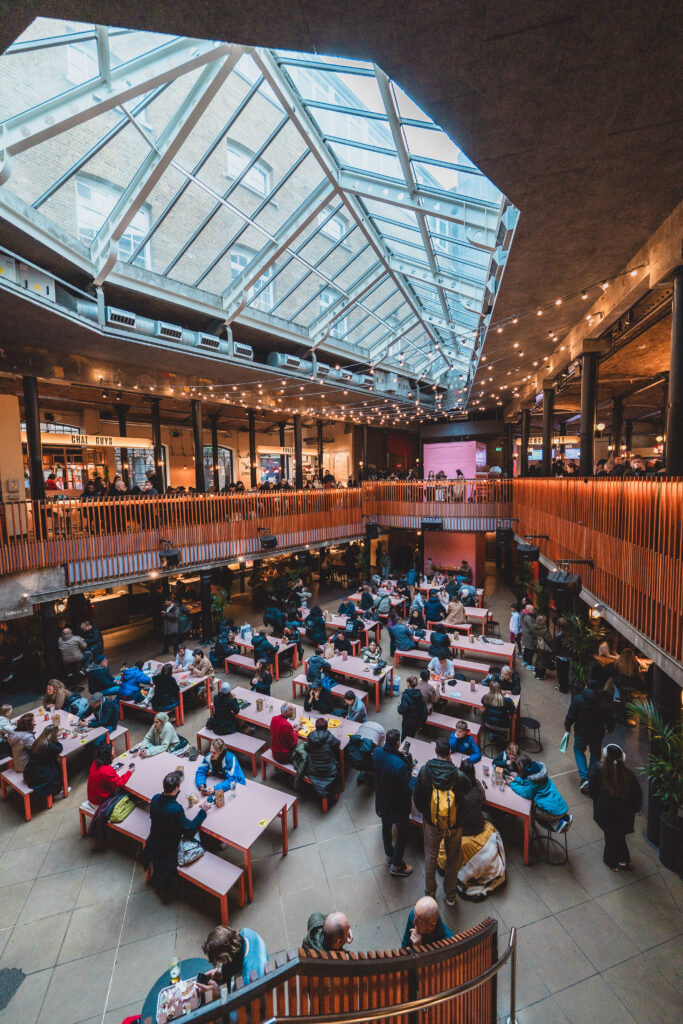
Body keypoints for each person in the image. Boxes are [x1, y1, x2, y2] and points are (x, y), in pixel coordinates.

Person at [413, 737, 471, 905]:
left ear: (436, 752)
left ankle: (430, 894)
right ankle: (450, 896)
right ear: (449, 753)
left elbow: (417, 796)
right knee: (453, 859)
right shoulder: (457, 775)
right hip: (454, 824)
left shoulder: (425, 771)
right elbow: (468, 789)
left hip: (432, 823)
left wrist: (427, 813)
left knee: (430, 857)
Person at [143, 770, 209, 897]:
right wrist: (203, 812)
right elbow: (189, 830)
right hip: (169, 847)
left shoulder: (156, 798)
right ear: (176, 789)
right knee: (199, 835)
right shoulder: (176, 808)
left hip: (154, 840)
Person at [455, 761, 506, 899]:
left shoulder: (457, 789)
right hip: (478, 825)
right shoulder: (477, 785)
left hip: (463, 829)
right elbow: (482, 801)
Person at [589, 744, 643, 871]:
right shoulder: (628, 775)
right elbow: (637, 796)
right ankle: (623, 859)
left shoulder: (598, 769)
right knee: (618, 835)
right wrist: (634, 809)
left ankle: (611, 861)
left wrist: (597, 800)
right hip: (624, 814)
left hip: (605, 812)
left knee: (611, 835)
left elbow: (592, 789)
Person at [372, 728, 414, 877]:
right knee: (402, 834)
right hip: (398, 806)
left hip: (382, 800)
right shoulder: (399, 765)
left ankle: (389, 855)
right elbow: (406, 790)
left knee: (386, 827)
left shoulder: (377, 753)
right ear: (398, 743)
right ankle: (396, 865)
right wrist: (412, 779)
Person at [564, 678, 614, 791]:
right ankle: (591, 777)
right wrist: (609, 729)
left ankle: (584, 776)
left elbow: (571, 715)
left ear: (586, 686)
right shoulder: (604, 703)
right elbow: (610, 720)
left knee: (578, 750)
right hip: (597, 735)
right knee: (595, 755)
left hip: (581, 732)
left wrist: (567, 726)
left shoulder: (578, 699)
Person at [198, 925, 268, 996]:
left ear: (225, 959)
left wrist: (218, 994)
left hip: (253, 995)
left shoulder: (247, 979)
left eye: (221, 961)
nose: (222, 963)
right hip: (258, 978)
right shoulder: (245, 932)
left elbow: (239, 1003)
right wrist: (221, 971)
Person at [511, 756, 573, 832]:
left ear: (522, 771)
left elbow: (526, 794)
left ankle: (555, 824)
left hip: (554, 814)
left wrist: (512, 784)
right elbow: (527, 782)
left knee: (532, 810)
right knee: (546, 806)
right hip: (562, 808)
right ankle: (565, 818)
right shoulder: (539, 773)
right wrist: (516, 779)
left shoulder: (532, 782)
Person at [23, 725, 64, 798]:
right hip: (39, 773)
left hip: (29, 770)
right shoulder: (49, 745)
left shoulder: (38, 741)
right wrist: (57, 741)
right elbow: (59, 748)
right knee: (57, 768)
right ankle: (57, 791)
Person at [304, 718, 341, 799]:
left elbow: (306, 747)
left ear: (316, 727)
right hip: (329, 771)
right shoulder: (330, 738)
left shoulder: (311, 737)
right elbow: (338, 743)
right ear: (326, 727)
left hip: (314, 770)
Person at [397, 675, 428, 740]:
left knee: (404, 738)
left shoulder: (405, 695)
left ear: (408, 683)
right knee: (412, 736)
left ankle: (403, 749)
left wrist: (399, 707)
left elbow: (403, 709)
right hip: (416, 721)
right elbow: (424, 710)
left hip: (407, 722)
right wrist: (421, 724)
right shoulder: (419, 694)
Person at [553, 617, 571, 693]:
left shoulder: (558, 636)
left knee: (560, 673)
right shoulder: (570, 633)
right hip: (567, 656)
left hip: (560, 656)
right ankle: (565, 686)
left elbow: (555, 648)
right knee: (566, 672)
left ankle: (562, 688)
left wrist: (553, 656)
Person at [532, 614, 552, 679]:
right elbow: (549, 640)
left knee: (538, 658)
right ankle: (540, 675)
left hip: (536, 645)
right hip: (542, 647)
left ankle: (536, 671)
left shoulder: (534, 627)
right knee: (543, 661)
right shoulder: (545, 630)